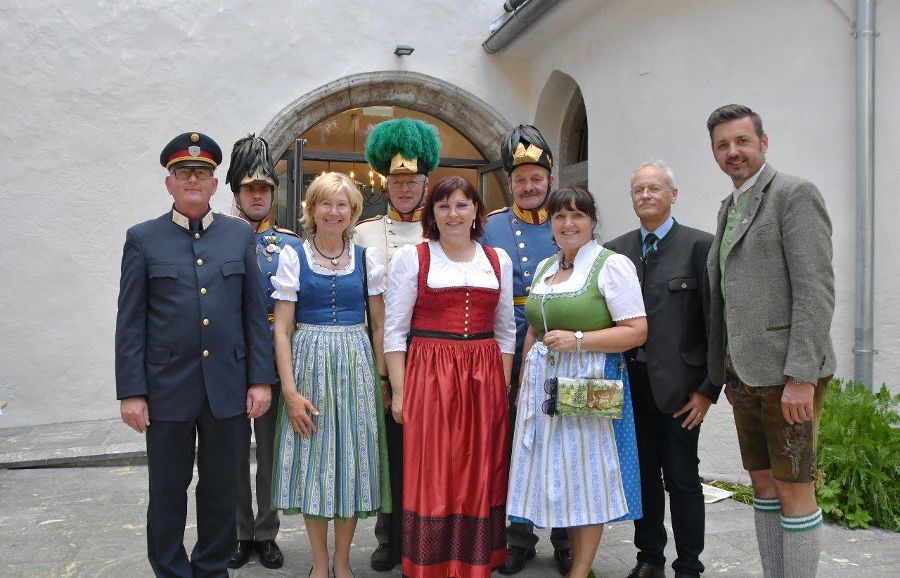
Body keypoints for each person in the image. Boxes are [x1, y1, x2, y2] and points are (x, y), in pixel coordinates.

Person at [115, 131, 274, 577]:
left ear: (213, 182)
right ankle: (169, 569)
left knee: (221, 488)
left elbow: (252, 312)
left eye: (201, 173)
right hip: (166, 389)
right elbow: (130, 322)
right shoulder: (143, 239)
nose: (192, 180)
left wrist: (260, 380)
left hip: (227, 385)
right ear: (169, 182)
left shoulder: (238, 235)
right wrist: (132, 392)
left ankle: (210, 568)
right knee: (168, 488)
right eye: (183, 173)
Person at [706, 104, 835, 578]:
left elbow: (815, 290)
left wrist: (802, 374)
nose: (732, 152)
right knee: (761, 483)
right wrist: (722, 367)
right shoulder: (729, 207)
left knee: (794, 486)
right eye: (722, 145)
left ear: (764, 142)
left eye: (741, 141)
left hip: (789, 375)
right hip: (744, 375)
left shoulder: (794, 195)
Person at [507, 186, 648, 578]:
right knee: (560, 475)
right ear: (551, 224)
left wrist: (579, 339)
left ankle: (580, 570)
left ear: (592, 222)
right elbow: (534, 329)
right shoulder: (546, 268)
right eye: (560, 216)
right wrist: (522, 385)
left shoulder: (610, 264)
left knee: (589, 479)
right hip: (544, 388)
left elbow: (636, 331)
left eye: (577, 216)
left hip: (588, 383)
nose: (568, 224)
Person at [384, 176, 515, 578]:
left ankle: (473, 560)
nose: (453, 214)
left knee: (479, 466)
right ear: (432, 213)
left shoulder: (497, 260)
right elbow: (394, 330)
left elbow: (506, 330)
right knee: (435, 468)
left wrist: (502, 387)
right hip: (430, 372)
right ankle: (430, 563)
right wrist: (401, 393)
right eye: (444, 206)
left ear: (477, 210)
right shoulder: (415, 257)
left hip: (483, 373)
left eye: (462, 205)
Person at [270, 172, 390, 578]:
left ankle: (343, 563)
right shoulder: (293, 257)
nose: (333, 212)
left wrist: (382, 380)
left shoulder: (366, 258)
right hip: (310, 366)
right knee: (316, 466)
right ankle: (320, 564)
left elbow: (378, 326)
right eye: (325, 203)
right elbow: (282, 330)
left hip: (356, 368)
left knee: (352, 467)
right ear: (312, 210)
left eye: (342, 204)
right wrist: (289, 390)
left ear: (353, 211)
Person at [606, 161, 717, 578]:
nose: (646, 196)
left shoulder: (699, 246)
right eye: (638, 190)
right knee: (644, 477)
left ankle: (689, 565)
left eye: (654, 188)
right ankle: (648, 556)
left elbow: (714, 323)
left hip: (682, 390)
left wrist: (708, 388)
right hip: (632, 386)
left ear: (673, 194)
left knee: (683, 479)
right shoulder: (617, 250)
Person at [481, 124, 571, 575]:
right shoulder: (492, 225)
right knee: (515, 443)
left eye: (537, 178)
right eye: (520, 180)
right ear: (509, 182)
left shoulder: (568, 221)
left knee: (561, 441)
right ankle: (518, 537)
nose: (529, 186)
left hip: (561, 347)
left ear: (549, 180)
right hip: (507, 347)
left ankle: (566, 535)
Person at [355, 117, 439, 572]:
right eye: (398, 181)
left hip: (430, 356)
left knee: (427, 450)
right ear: (385, 183)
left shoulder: (442, 231)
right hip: (377, 356)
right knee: (388, 448)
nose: (405, 189)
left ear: (426, 184)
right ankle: (389, 535)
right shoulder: (364, 233)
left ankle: (424, 532)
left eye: (413, 181)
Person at [224, 134, 298, 570]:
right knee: (232, 453)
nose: (257, 195)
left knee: (270, 455)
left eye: (264, 189)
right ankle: (238, 531)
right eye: (249, 188)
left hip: (272, 360)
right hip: (230, 362)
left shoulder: (290, 244)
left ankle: (266, 532)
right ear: (236, 192)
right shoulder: (218, 237)